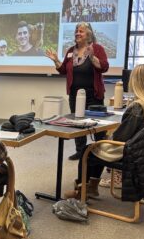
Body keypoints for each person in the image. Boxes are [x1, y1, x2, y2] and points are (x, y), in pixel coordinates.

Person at [64, 64, 144, 199]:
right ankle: (91, 187)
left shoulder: (137, 107)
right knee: (99, 147)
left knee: (89, 149)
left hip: (132, 154)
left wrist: (109, 136)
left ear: (135, 82)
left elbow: (120, 138)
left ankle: (82, 190)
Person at [45, 22, 109, 160]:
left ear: (89, 34)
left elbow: (104, 67)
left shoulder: (97, 48)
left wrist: (92, 57)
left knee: (98, 124)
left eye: (81, 31)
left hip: (94, 94)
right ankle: (80, 151)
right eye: (76, 31)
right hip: (75, 94)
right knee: (77, 122)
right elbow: (63, 70)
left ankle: (101, 151)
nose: (77, 33)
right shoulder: (70, 51)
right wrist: (55, 60)